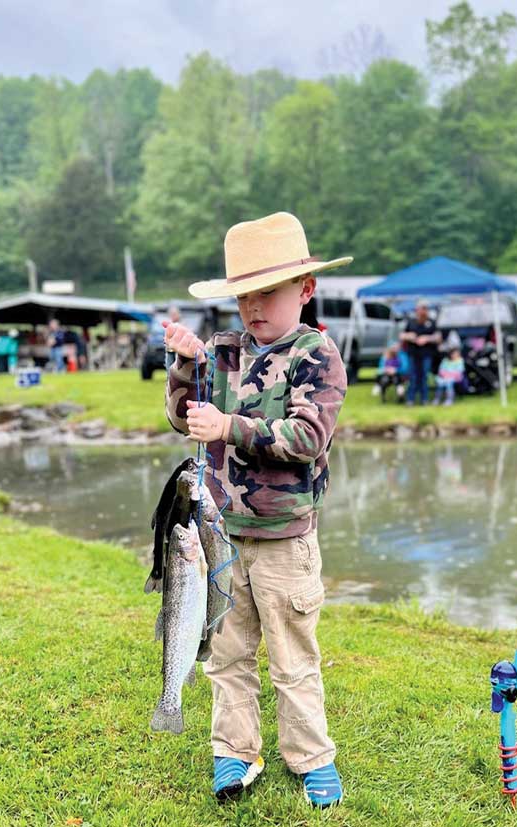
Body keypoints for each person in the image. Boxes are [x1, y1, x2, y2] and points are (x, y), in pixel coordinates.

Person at [162, 212, 350, 808]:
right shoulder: (223, 351)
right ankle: (234, 753)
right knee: (226, 652)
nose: (254, 307)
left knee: (293, 658)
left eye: (267, 293)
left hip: (285, 539)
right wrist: (186, 368)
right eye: (244, 295)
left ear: (305, 290)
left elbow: (306, 438)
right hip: (220, 539)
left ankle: (311, 759)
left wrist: (231, 426)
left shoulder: (316, 355)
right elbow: (184, 418)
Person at [400, 299, 441, 405]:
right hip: (413, 353)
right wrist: (410, 337)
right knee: (412, 376)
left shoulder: (431, 322)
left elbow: (438, 337)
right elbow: (402, 335)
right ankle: (410, 399)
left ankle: (424, 399)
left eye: (425, 308)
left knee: (424, 376)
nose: (423, 311)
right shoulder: (411, 322)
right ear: (416, 310)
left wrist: (427, 338)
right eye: (421, 308)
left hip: (426, 354)